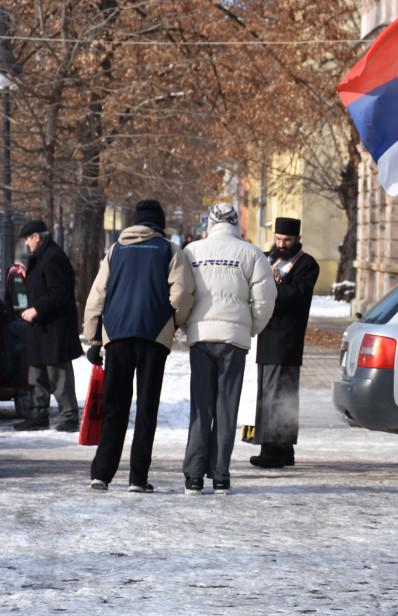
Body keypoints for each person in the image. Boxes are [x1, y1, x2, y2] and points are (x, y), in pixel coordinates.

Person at [83, 200, 195, 492]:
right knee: (147, 407)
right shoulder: (170, 250)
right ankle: (137, 478)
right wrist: (173, 321)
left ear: (135, 222)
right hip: (153, 337)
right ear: (159, 222)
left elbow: (97, 295)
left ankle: (101, 474)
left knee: (114, 406)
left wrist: (94, 337)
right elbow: (182, 293)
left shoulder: (115, 250)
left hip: (117, 335)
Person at [183, 204, 276, 495]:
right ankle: (220, 475)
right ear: (236, 223)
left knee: (201, 407)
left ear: (210, 222)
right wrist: (249, 328)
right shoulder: (251, 253)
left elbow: (181, 292)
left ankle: (194, 476)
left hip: (200, 337)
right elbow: (265, 299)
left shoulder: (191, 252)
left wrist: (186, 325)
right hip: (233, 340)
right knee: (226, 408)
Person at [248, 217, 319, 469]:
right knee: (268, 392)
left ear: (297, 239)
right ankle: (282, 448)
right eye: (278, 239)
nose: (281, 244)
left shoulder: (306, 264)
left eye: (287, 240)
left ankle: (274, 449)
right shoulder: (266, 259)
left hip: (287, 339)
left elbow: (296, 295)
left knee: (280, 395)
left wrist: (274, 287)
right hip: (266, 336)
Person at [15, 220, 83, 432]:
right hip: (41, 327)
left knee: (58, 374)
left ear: (37, 237)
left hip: (54, 328)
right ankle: (38, 413)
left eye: (28, 239)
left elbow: (60, 292)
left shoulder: (54, 256)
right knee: (37, 373)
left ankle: (69, 415)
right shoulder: (40, 257)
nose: (27, 244)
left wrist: (37, 309)